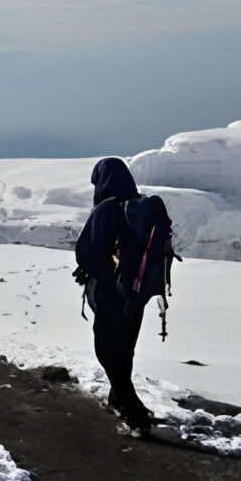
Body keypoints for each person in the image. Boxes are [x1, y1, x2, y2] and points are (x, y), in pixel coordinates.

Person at [75, 157, 153, 432]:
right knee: (125, 349)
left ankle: (134, 411)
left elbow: (87, 250)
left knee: (107, 350)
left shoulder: (106, 208)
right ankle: (118, 397)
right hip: (136, 294)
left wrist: (91, 272)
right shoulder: (141, 208)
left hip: (110, 293)